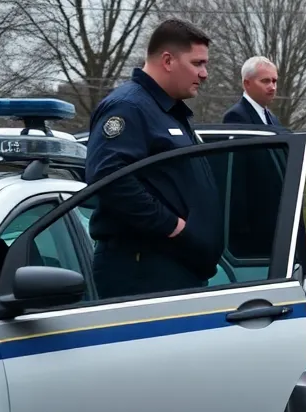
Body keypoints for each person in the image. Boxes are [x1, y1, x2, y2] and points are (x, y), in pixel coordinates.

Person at [85, 18, 220, 300]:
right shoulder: (129, 106)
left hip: (173, 267)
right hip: (143, 269)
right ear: (168, 60)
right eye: (197, 63)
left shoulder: (167, 111)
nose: (205, 73)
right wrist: (172, 226)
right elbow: (109, 179)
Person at [223, 56, 280, 126]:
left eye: (274, 81)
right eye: (265, 81)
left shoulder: (273, 119)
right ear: (247, 84)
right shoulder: (235, 116)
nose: (273, 87)